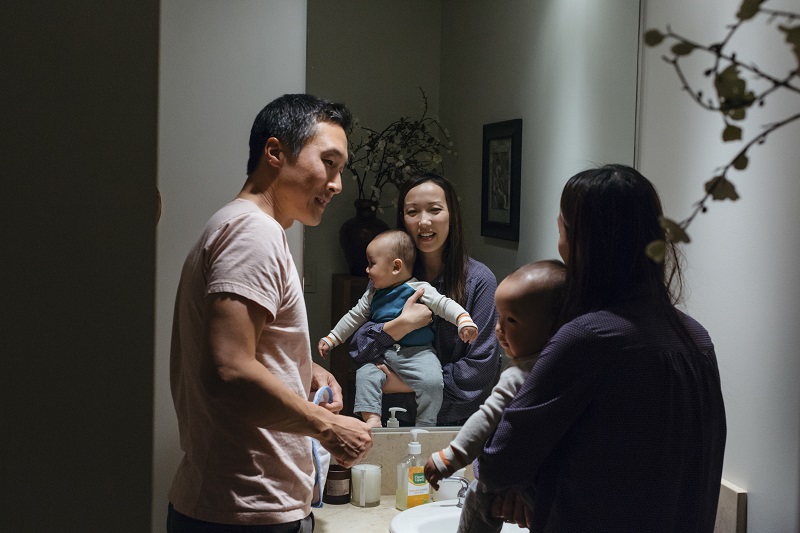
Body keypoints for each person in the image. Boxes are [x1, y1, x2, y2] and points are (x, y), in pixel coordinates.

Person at [479, 164, 727, 532]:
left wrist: (528, 486)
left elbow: (498, 463)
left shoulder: (587, 340)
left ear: (579, 242)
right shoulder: (697, 338)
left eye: (561, 227)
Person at [167, 94, 373, 532]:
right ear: (275, 152)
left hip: (240, 507)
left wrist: (303, 369)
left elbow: (240, 353)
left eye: (341, 170)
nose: (337, 184)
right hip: (244, 511)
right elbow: (229, 371)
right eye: (329, 163)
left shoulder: (239, 226)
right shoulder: (252, 233)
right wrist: (327, 426)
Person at [425, 259, 566, 533]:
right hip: (558, 490)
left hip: (525, 483)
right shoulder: (571, 365)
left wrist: (451, 457)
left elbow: (488, 416)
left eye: (511, 320)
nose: (499, 329)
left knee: (480, 492)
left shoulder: (522, 374)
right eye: (499, 317)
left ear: (552, 326)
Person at [349, 173, 501, 426]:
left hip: (452, 425)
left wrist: (407, 383)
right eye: (412, 212)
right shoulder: (387, 274)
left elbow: (479, 369)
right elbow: (358, 349)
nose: (424, 221)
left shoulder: (479, 281)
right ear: (402, 221)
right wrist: (400, 325)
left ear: (452, 215)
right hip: (390, 418)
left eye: (434, 210)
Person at [319, 230, 478, 427]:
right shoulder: (372, 294)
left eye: (371, 264)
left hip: (419, 354)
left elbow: (444, 304)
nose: (367, 270)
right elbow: (354, 316)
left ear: (396, 266)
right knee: (365, 375)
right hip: (383, 354)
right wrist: (332, 338)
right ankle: (372, 419)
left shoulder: (419, 288)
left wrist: (463, 320)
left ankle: (426, 423)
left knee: (433, 382)